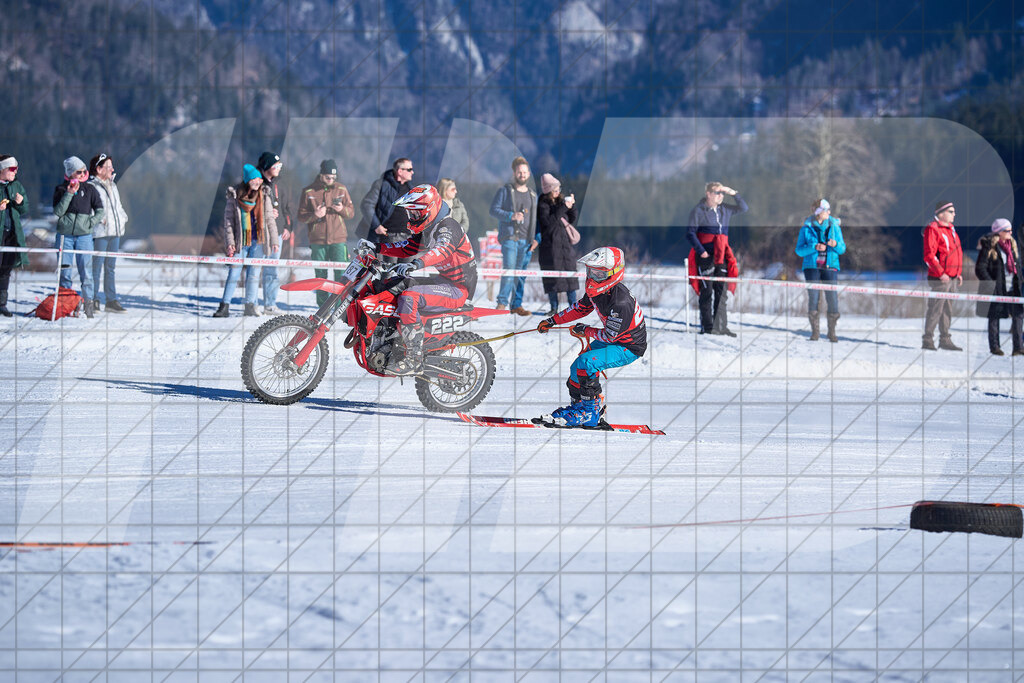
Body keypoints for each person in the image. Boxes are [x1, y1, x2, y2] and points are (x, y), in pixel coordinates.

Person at [536, 247, 647, 427]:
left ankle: (590, 413)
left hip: (628, 346)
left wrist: (586, 330)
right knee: (576, 367)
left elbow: (609, 336)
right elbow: (581, 308)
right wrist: (553, 320)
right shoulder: (598, 291)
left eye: (599, 274)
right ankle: (578, 407)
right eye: (591, 271)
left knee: (587, 363)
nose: (593, 277)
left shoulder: (620, 302)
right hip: (614, 338)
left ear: (613, 274)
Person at [374, 184, 477, 375]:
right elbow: (407, 247)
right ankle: (390, 339)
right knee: (393, 285)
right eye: (410, 213)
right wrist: (376, 248)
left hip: (458, 289)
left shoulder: (449, 227)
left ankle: (414, 358)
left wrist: (417, 264)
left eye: (415, 213)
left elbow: (442, 250)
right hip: (442, 281)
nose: (412, 217)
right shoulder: (430, 228)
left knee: (409, 297)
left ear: (429, 210)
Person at [212, 164, 274, 318]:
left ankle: (250, 305)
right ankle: (224, 306)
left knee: (254, 275)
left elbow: (270, 219)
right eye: (254, 179)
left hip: (259, 241)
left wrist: (274, 240)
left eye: (259, 179)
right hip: (241, 241)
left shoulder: (264, 195)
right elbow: (228, 223)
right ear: (247, 180)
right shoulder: (235, 197)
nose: (258, 182)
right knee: (234, 273)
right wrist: (230, 243)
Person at [687, 181, 748, 336]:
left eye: (722, 193)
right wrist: (702, 252)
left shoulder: (725, 209)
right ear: (708, 194)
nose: (721, 196)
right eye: (717, 193)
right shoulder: (698, 211)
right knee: (707, 291)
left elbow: (743, 208)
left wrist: (732, 193)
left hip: (722, 255)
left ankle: (721, 326)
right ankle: (707, 327)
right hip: (706, 256)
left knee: (721, 292)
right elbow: (690, 233)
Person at [298, 159, 356, 307]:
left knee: (341, 274)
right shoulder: (309, 191)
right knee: (320, 275)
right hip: (318, 240)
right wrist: (315, 215)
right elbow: (301, 216)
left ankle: (339, 306)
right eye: (328, 177)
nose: (331, 180)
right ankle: (322, 307)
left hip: (338, 239)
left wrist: (341, 209)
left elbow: (351, 213)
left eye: (333, 177)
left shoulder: (341, 189)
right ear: (321, 175)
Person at [53, 156, 105, 318]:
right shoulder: (61, 189)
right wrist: (69, 194)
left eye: (84, 171)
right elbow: (58, 212)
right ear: (70, 173)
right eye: (79, 172)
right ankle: (65, 305)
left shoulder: (90, 189)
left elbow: (100, 210)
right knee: (65, 273)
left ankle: (88, 305)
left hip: (84, 237)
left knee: (86, 273)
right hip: (65, 237)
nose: (83, 174)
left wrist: (91, 222)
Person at [489, 156, 537, 315]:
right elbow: (493, 210)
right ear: (514, 173)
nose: (522, 175)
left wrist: (536, 239)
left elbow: (536, 219)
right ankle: (501, 304)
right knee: (509, 271)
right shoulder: (505, 191)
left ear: (528, 174)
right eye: (519, 172)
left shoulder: (532, 195)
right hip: (510, 238)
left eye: (525, 172)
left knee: (521, 275)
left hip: (527, 241)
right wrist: (511, 216)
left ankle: (516, 305)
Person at [795, 199, 846, 342]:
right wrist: (814, 247)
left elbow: (842, 249)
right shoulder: (806, 228)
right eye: (826, 210)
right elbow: (799, 250)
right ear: (819, 212)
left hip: (831, 266)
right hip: (812, 267)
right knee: (814, 298)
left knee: (832, 298)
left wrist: (835, 244)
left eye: (829, 210)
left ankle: (832, 332)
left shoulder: (835, 227)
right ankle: (815, 332)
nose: (829, 212)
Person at [87, 153, 129, 313]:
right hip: (100, 233)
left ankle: (111, 301)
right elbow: (89, 210)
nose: (112, 169)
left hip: (115, 232)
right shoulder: (92, 187)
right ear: (99, 169)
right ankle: (93, 299)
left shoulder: (113, 185)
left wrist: (123, 218)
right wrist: (99, 220)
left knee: (110, 267)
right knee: (96, 267)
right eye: (108, 167)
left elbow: (118, 207)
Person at [975, 219, 1023, 356]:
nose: (1010, 233)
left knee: (1019, 316)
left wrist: (1020, 279)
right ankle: (995, 347)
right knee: (994, 316)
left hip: (1013, 288)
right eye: (1007, 230)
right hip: (997, 288)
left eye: (1011, 230)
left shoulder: (1012, 245)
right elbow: (980, 268)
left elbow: (1017, 266)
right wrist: (991, 283)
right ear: (999, 232)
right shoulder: (989, 246)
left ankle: (1018, 347)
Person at [922, 200, 963, 351]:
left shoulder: (951, 229)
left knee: (947, 309)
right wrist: (941, 273)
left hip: (952, 277)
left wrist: (958, 273)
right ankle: (928, 339)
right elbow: (929, 255)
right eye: (951, 212)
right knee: (936, 308)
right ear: (941, 213)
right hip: (940, 278)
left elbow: (954, 253)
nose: (954, 214)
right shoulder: (933, 228)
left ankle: (945, 339)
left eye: (954, 211)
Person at [535, 172, 579, 316]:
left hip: (565, 247)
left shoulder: (561, 202)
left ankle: (573, 307)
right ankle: (554, 308)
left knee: (570, 278)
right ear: (548, 191)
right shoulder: (543, 204)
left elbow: (571, 219)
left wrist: (572, 206)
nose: (558, 192)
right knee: (552, 279)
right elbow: (548, 223)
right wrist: (564, 208)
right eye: (555, 190)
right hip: (550, 248)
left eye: (558, 189)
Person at [256, 151, 288, 314]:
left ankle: (270, 304)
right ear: (267, 166)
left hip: (277, 234)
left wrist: (288, 227)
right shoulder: (256, 182)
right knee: (254, 270)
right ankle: (251, 304)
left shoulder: (279, 184)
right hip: (259, 233)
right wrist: (265, 213)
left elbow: (286, 207)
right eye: (276, 165)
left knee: (272, 269)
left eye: (280, 165)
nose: (279, 168)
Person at [0, 155, 29, 317]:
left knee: (6, 269)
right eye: (12, 168)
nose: (15, 171)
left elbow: (25, 209)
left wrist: (20, 202)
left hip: (12, 233)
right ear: (2, 169)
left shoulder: (16, 185)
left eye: (16, 168)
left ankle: (2, 304)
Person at [361, 157, 414, 244]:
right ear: (400, 171)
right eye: (409, 169)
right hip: (389, 236)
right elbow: (367, 205)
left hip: (408, 237)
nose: (412, 172)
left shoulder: (410, 188)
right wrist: (376, 225)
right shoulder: (382, 185)